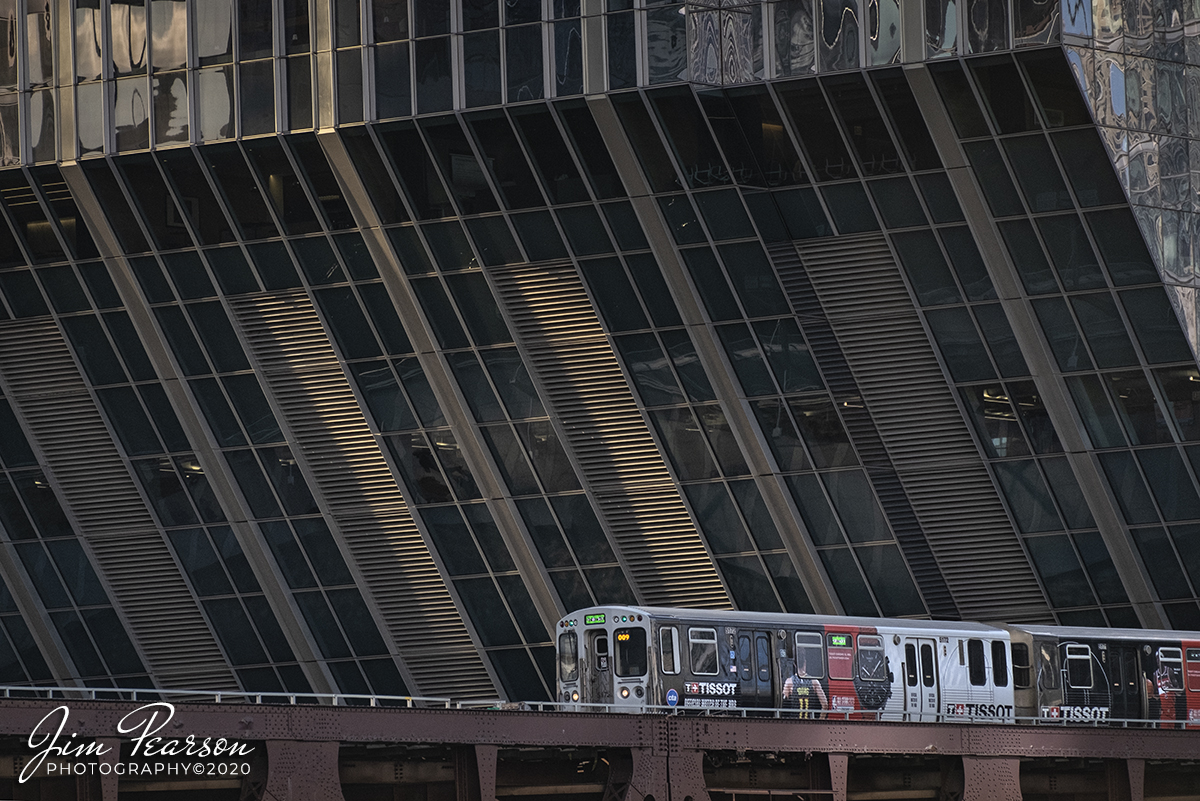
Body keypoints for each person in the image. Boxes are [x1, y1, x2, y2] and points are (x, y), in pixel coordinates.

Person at [783, 651, 827, 718]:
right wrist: (820, 719)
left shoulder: (789, 682)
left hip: (794, 722)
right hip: (809, 722)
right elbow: (825, 705)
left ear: (794, 664)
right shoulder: (814, 682)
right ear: (805, 662)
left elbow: (783, 703)